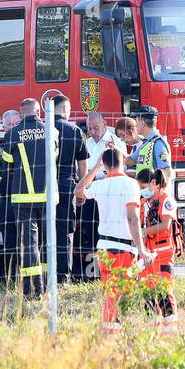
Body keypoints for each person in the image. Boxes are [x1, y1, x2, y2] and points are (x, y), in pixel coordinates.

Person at [74, 148, 152, 334]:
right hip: (123, 248)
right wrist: (141, 249)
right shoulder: (131, 184)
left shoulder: (100, 185)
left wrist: (95, 168)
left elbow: (78, 190)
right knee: (123, 294)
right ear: (122, 162)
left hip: (104, 248)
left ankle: (110, 331)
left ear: (106, 164)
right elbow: (132, 218)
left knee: (112, 292)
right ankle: (115, 332)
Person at [0, 97, 50, 297]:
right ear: (39, 111)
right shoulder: (50, 130)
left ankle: (33, 288)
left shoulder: (12, 134)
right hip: (47, 197)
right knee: (48, 243)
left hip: (22, 197)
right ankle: (48, 285)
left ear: (21, 114)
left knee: (30, 244)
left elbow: (7, 164)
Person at [78, 112, 127, 281]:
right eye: (90, 128)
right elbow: (83, 168)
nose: (92, 131)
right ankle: (93, 272)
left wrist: (115, 149)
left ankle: (110, 270)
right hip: (91, 190)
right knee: (89, 229)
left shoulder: (116, 141)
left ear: (105, 124)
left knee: (107, 229)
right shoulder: (87, 143)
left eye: (96, 127)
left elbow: (124, 165)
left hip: (109, 190)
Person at [48, 94, 89, 283]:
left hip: (43, 187)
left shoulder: (43, 129)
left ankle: (45, 274)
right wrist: (82, 188)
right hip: (67, 187)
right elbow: (82, 166)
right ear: (65, 109)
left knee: (44, 231)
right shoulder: (75, 131)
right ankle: (63, 277)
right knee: (66, 231)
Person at [136, 167, 178, 330]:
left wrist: (142, 232)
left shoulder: (167, 200)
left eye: (144, 187)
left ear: (154, 183)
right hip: (145, 255)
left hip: (163, 253)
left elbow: (165, 224)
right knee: (146, 292)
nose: (142, 191)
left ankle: (170, 328)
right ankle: (151, 329)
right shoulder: (144, 202)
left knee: (163, 292)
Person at [128, 106, 172, 176]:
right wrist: (114, 150)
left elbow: (166, 172)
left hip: (153, 186)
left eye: (136, 121)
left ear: (142, 123)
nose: (135, 125)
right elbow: (130, 162)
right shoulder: (146, 143)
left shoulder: (158, 143)